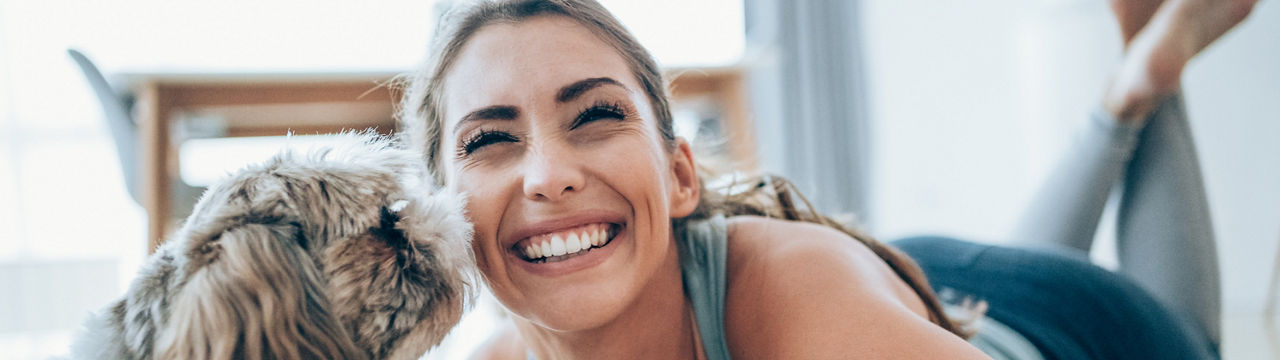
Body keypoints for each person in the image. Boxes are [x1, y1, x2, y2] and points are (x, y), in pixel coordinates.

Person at [396, 0, 1255, 358]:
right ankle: (1128, 88)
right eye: (489, 142)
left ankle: (1145, 86)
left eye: (594, 115)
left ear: (682, 175)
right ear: (442, 210)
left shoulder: (788, 285)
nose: (547, 175)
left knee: (1189, 338)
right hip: (922, 283)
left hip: (1045, 324)